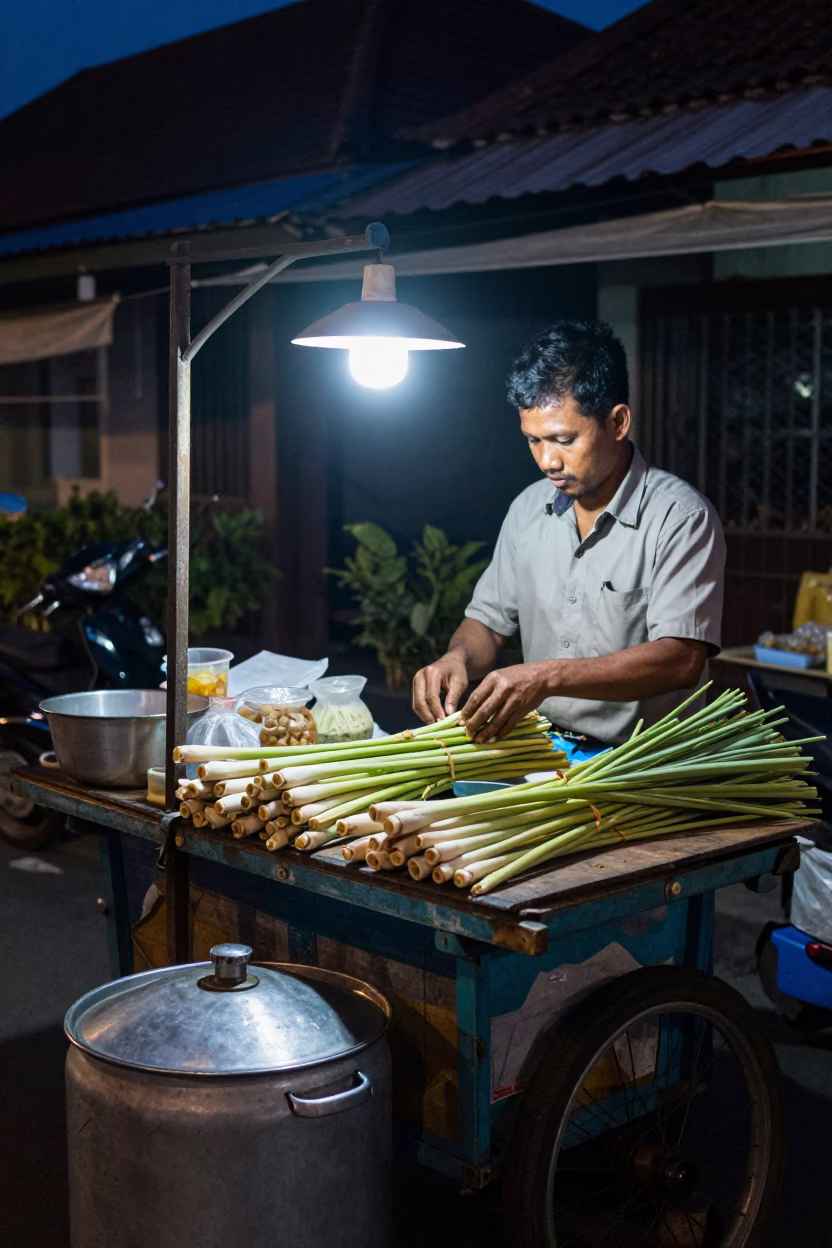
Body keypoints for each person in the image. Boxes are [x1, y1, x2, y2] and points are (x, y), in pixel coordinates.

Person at [412, 320, 725, 756]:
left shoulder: (680, 517)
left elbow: (681, 660)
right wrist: (457, 658)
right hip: (543, 750)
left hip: (642, 765)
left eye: (563, 439)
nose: (547, 460)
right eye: (533, 441)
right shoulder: (527, 509)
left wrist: (546, 676)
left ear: (617, 422)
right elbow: (486, 622)